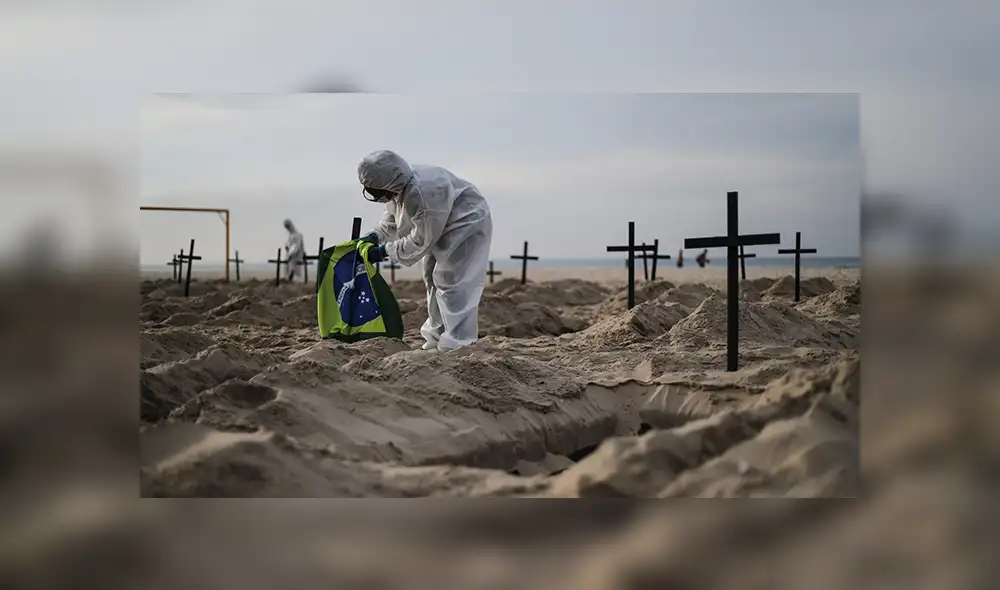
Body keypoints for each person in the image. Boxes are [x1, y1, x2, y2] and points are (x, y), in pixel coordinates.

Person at [357, 149, 493, 351]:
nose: (376, 195)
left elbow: (421, 241)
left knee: (452, 280)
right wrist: (375, 235)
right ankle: (436, 338)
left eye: (376, 191)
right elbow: (393, 219)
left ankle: (459, 343)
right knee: (431, 276)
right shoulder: (398, 184)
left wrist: (384, 251)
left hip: (466, 222)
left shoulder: (423, 192)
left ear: (387, 184)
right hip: (442, 223)